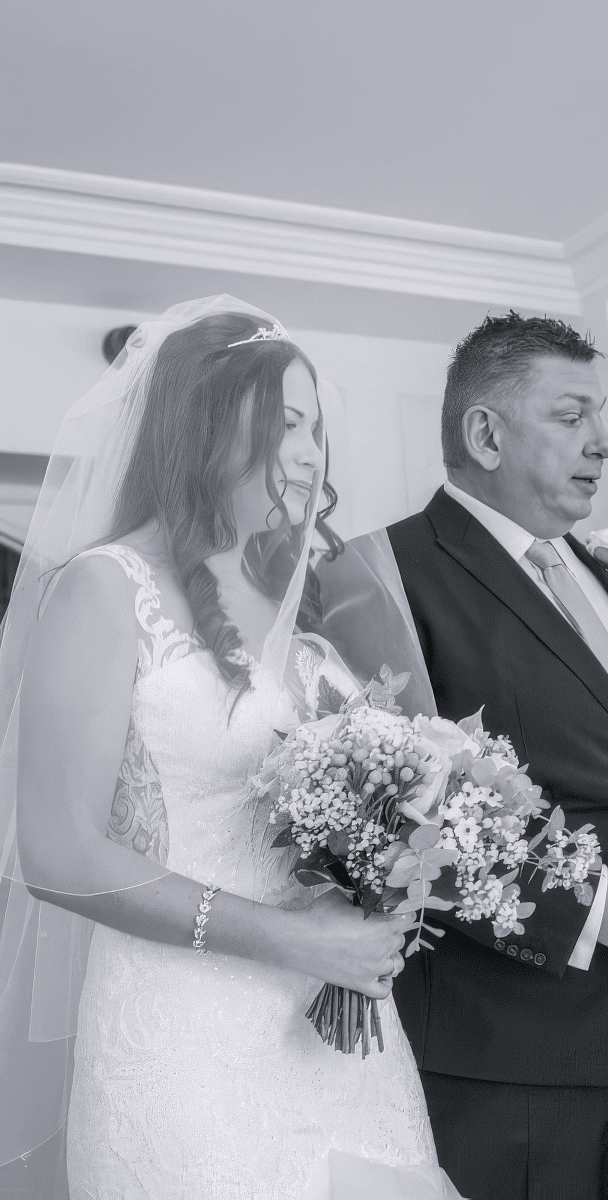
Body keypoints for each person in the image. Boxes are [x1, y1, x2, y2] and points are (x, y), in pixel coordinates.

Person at [0, 298, 461, 1200]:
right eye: (286, 420)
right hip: (183, 1037)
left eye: (316, 427)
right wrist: (291, 939)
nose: (308, 450)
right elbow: (55, 852)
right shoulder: (101, 589)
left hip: (335, 1039)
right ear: (205, 422)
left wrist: (403, 863)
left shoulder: (309, 609)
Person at [387, 313, 608, 1200]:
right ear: (484, 433)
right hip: (523, 1056)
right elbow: (380, 822)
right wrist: (584, 905)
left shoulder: (597, 566)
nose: (606, 441)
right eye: (572, 414)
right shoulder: (387, 574)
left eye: (604, 415)